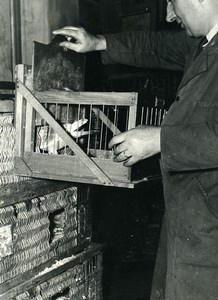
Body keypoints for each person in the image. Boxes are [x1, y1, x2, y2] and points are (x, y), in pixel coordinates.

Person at [53, 0, 218, 299]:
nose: (168, 14)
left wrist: (159, 139)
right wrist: (98, 43)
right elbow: (155, 46)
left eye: (172, 1)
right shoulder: (204, 43)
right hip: (190, 220)